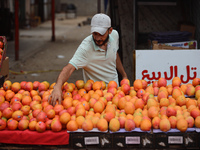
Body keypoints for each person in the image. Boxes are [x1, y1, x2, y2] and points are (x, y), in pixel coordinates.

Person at [49, 13, 127, 106]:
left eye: (101, 34)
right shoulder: (85, 48)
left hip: (115, 93)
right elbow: (69, 68)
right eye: (95, 34)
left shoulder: (115, 35)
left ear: (110, 31)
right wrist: (58, 87)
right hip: (95, 98)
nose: (97, 38)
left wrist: (124, 75)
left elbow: (115, 54)